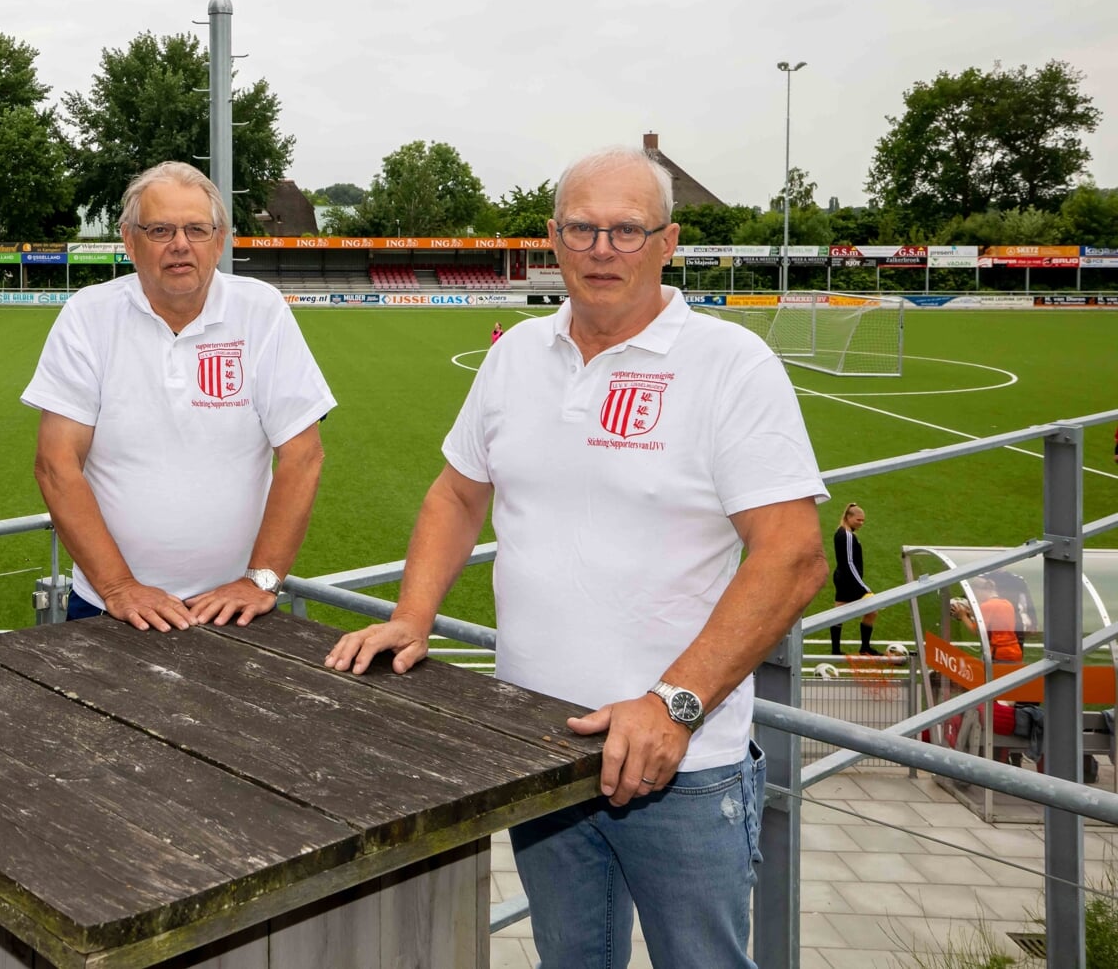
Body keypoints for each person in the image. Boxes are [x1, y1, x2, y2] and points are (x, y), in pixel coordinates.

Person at [325, 146, 828, 968]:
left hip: (682, 762)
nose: (603, 249)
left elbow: (794, 556)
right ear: (553, 240)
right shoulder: (515, 354)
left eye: (627, 231)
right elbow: (456, 495)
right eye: (583, 229)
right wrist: (412, 617)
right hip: (541, 745)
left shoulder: (730, 365)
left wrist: (675, 704)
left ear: (668, 243)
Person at [23, 161, 334, 631]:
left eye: (196, 229)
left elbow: (303, 455)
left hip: (234, 607)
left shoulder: (261, 311)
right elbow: (55, 463)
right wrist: (118, 587)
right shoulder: (88, 315)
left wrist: (260, 581)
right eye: (160, 229)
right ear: (130, 241)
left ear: (220, 238)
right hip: (109, 606)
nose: (180, 244)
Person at [830, 502, 879, 657]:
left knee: (839, 613)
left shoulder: (841, 532)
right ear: (849, 517)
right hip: (849, 580)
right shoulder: (848, 536)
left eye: (863, 520)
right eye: (858, 520)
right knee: (872, 610)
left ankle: (835, 650)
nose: (861, 523)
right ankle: (865, 648)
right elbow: (850, 563)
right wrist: (863, 587)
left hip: (842, 578)